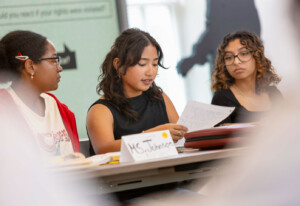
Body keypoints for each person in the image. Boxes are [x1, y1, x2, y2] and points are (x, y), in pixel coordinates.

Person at [86, 28, 188, 155]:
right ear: (118, 65)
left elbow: (182, 137)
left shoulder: (160, 98)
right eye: (142, 64)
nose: (150, 72)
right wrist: (155, 136)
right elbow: (104, 149)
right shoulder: (101, 110)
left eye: (155, 64)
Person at [0, 30, 80, 156]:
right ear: (30, 66)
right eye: (53, 60)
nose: (60, 68)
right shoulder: (3, 108)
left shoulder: (57, 107)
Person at [211, 30, 282, 125]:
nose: (236, 62)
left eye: (243, 53)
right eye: (228, 57)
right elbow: (219, 136)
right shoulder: (222, 98)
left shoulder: (274, 93)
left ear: (257, 56)